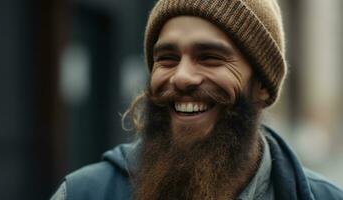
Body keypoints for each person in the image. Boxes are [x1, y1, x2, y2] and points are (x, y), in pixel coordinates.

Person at [51, 0, 343, 199]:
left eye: (210, 58)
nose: (181, 77)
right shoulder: (84, 193)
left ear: (262, 87)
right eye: (167, 58)